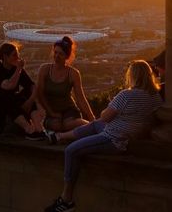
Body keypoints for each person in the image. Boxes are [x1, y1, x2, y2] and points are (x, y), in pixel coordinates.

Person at [44, 60, 163, 212]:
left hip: (113, 139)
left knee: (71, 151)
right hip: (129, 136)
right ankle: (60, 136)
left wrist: (111, 104)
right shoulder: (155, 97)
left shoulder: (126, 95)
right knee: (95, 124)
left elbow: (105, 116)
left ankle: (66, 199)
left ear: (133, 76)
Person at [0, 42, 46, 140]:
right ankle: (28, 129)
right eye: (14, 55)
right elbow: (9, 86)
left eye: (17, 54)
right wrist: (19, 69)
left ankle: (38, 128)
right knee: (7, 96)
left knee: (28, 91)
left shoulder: (15, 68)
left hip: (12, 102)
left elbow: (31, 85)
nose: (17, 57)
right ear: (5, 57)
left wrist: (31, 100)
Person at [36, 36, 95, 132]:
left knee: (70, 124)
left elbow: (80, 98)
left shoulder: (73, 73)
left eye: (61, 54)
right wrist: (51, 113)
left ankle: (93, 126)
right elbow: (40, 94)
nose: (57, 56)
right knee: (56, 125)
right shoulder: (44, 70)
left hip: (69, 111)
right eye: (55, 52)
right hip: (49, 110)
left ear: (67, 56)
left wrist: (92, 118)